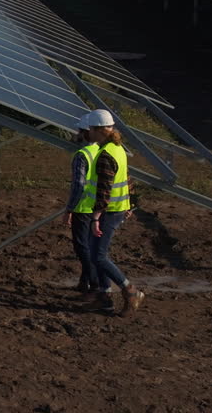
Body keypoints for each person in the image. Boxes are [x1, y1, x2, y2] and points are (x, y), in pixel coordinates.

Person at [86, 108, 145, 316]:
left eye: (91, 129)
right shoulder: (117, 148)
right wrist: (130, 204)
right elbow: (128, 178)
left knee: (99, 256)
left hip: (108, 212)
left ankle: (130, 290)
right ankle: (105, 297)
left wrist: (95, 218)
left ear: (99, 130)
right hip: (117, 209)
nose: (88, 133)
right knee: (95, 255)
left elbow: (104, 190)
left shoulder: (105, 155)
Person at [63, 115, 101, 297]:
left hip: (83, 207)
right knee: (89, 246)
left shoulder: (82, 155)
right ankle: (84, 282)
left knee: (81, 247)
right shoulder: (100, 151)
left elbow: (79, 185)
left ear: (85, 133)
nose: (76, 134)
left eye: (79, 131)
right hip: (97, 208)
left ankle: (94, 283)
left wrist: (69, 208)